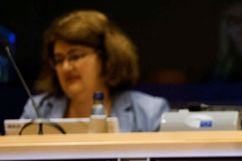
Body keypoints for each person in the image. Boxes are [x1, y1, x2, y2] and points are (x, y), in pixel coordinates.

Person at [20, 10, 169, 132]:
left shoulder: (149, 112)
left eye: (75, 56)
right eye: (58, 60)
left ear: (105, 57)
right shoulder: (37, 110)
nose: (65, 67)